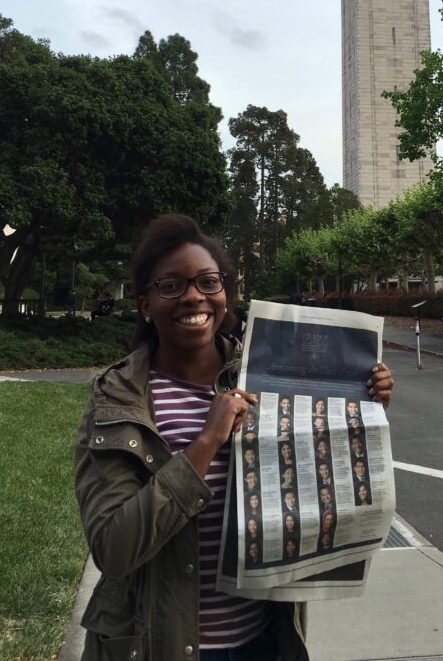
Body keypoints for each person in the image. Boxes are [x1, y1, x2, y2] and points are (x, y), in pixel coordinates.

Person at [75, 213, 393, 661]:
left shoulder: (270, 374)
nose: (193, 298)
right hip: (156, 645)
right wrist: (204, 445)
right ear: (145, 303)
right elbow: (114, 549)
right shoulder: (118, 399)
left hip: (264, 641)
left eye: (208, 282)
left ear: (225, 292)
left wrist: (360, 411)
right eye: (171, 286)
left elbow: (323, 488)